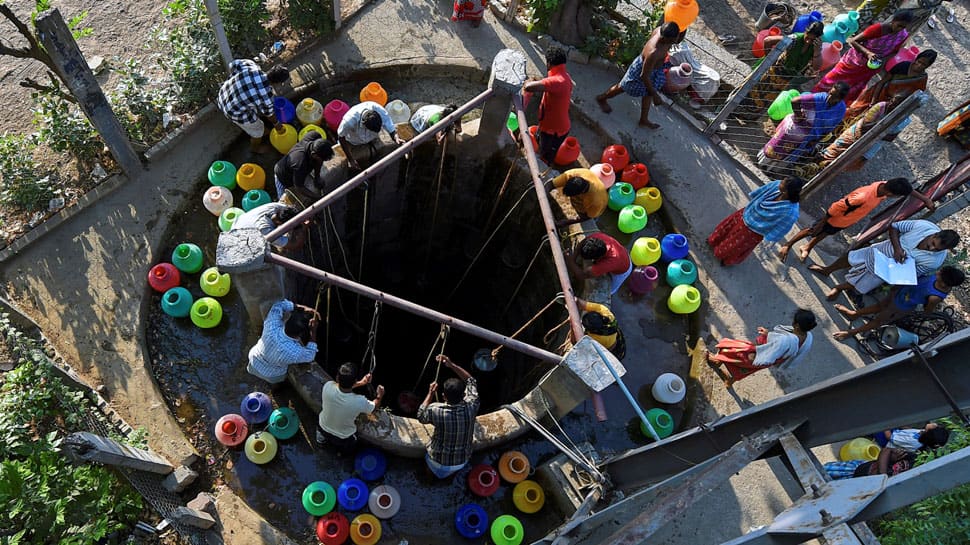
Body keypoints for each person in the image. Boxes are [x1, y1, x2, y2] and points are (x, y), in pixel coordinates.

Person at [778, 178, 935, 263]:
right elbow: (837, 206)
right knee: (812, 230)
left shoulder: (884, 187)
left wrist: (924, 199)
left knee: (825, 234)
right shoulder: (864, 197)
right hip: (833, 217)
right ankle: (787, 245)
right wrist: (822, 221)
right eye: (896, 195)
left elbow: (908, 190)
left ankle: (807, 247)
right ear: (891, 192)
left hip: (843, 222)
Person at [810, 219, 960, 299]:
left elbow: (914, 272)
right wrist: (897, 248)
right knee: (851, 258)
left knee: (864, 282)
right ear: (935, 234)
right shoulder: (923, 226)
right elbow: (894, 227)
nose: (932, 249)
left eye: (938, 249)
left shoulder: (936, 261)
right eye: (933, 244)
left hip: (891, 269)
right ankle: (827, 270)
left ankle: (838, 288)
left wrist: (900, 269)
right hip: (882, 249)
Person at [833, 266, 965, 340]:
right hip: (899, 293)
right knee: (879, 306)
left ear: (944, 282)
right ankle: (854, 314)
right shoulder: (936, 279)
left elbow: (927, 311)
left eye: (940, 273)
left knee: (878, 321)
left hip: (901, 306)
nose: (937, 272)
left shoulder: (935, 297)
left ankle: (852, 332)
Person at [798, 92, 909, 177]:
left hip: (871, 144)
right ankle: (810, 165)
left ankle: (820, 171)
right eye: (894, 102)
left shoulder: (904, 119)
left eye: (899, 105)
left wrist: (879, 132)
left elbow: (890, 138)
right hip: (856, 135)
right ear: (891, 100)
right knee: (834, 150)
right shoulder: (880, 107)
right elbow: (865, 126)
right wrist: (885, 126)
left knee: (850, 161)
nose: (894, 106)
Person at [813, 11, 914, 104]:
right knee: (833, 80)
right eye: (899, 25)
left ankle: (834, 106)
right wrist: (868, 53)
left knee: (851, 89)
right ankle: (813, 98)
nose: (900, 29)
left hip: (871, 67)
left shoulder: (902, 35)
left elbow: (894, 52)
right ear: (893, 21)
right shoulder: (878, 29)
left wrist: (884, 60)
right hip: (854, 61)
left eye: (903, 27)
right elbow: (852, 41)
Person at [595, 22, 682, 129]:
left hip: (652, 70)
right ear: (666, 39)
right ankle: (602, 98)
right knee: (623, 86)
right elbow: (644, 76)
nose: (675, 41)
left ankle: (643, 120)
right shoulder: (653, 53)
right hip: (642, 72)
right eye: (673, 40)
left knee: (647, 93)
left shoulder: (660, 30)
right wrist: (655, 95)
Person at [706, 309, 817, 387]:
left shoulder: (786, 341)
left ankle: (717, 360)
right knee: (745, 370)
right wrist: (768, 334)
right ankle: (730, 381)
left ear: (797, 326)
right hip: (770, 359)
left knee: (730, 349)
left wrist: (752, 354)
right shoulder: (808, 337)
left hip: (759, 355)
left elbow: (774, 346)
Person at [707, 177, 804, 266]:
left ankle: (726, 258)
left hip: (754, 232)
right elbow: (761, 192)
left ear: (786, 191)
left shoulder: (791, 212)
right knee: (728, 228)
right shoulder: (776, 186)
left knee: (736, 245)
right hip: (747, 213)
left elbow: (782, 228)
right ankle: (714, 241)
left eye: (783, 183)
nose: (780, 182)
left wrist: (769, 236)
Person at [758, 84, 849, 174]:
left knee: (792, 154)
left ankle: (772, 170)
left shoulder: (840, 110)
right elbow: (794, 101)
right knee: (777, 148)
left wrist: (817, 140)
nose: (830, 97)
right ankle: (762, 164)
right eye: (830, 93)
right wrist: (799, 116)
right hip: (795, 131)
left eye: (834, 96)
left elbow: (830, 128)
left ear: (840, 99)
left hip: (810, 138)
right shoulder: (820, 97)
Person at [740, 22, 824, 117]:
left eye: (812, 40)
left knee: (766, 97)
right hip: (774, 71)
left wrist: (817, 51)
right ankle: (736, 106)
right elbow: (768, 40)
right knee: (754, 88)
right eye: (807, 37)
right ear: (805, 32)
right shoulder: (794, 39)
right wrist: (769, 58)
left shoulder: (816, 47)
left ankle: (748, 114)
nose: (808, 41)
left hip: (785, 79)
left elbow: (817, 67)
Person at [416, 355, 480, 478]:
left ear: (444, 397)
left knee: (430, 469)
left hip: (437, 460)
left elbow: (420, 415)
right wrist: (451, 365)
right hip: (462, 461)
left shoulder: (436, 410)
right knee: (450, 472)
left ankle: (429, 478)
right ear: (464, 395)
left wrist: (430, 393)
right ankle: (447, 477)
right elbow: (471, 380)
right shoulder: (472, 404)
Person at [216, 59, 290, 152]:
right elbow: (270, 115)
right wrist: (277, 125)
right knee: (258, 131)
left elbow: (233, 64)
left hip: (223, 95)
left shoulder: (251, 66)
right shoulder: (266, 97)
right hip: (233, 111)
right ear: (278, 83)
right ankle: (255, 148)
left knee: (254, 103)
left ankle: (265, 131)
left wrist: (237, 83)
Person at [844, 50, 937, 122]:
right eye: (919, 61)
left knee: (868, 120)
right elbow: (882, 82)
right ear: (916, 59)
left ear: (927, 66)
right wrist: (873, 101)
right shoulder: (903, 66)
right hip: (876, 94)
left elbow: (914, 97)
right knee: (855, 111)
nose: (919, 65)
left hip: (889, 104)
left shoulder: (921, 79)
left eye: (923, 64)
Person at [316, 363, 384, 455]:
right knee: (348, 446)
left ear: (337, 378)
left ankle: (321, 442)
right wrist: (380, 395)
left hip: (322, 427)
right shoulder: (359, 401)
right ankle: (341, 454)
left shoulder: (328, 386)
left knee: (323, 436)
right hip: (343, 436)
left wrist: (361, 383)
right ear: (355, 380)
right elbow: (374, 407)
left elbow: (341, 387)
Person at [246, 299, 318, 384]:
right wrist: (313, 332)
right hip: (272, 375)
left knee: (254, 369)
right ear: (301, 335)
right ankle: (276, 387)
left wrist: (302, 308)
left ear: (287, 321)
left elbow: (278, 306)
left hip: (254, 360)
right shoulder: (294, 352)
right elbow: (310, 355)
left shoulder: (272, 324)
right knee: (278, 380)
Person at [523, 45, 574, 164]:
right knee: (540, 141)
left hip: (554, 131)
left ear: (549, 63)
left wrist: (528, 82)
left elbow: (528, 87)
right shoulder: (565, 77)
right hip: (550, 125)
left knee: (545, 156)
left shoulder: (557, 81)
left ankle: (542, 171)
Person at [337, 101, 405, 169]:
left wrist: (396, 138)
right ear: (364, 125)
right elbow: (341, 136)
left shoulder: (379, 110)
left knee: (378, 155)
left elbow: (390, 126)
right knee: (362, 163)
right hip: (355, 142)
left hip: (373, 139)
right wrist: (350, 159)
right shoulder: (349, 121)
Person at [564, 232, 632, 294]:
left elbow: (582, 275)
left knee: (610, 290)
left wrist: (570, 261)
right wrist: (573, 258)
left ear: (599, 258)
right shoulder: (596, 237)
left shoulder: (608, 263)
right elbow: (582, 243)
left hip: (623, 270)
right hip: (622, 254)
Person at [273, 131, 335, 199]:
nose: (322, 161)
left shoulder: (314, 136)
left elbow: (318, 162)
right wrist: (318, 198)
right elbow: (299, 187)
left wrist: (317, 177)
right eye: (322, 159)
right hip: (283, 176)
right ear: (314, 155)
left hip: (293, 166)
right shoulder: (300, 163)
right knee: (284, 201)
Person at [231, 202, 308, 253]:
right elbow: (294, 246)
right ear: (280, 223)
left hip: (241, 222)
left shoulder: (276, 207)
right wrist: (304, 229)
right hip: (238, 240)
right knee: (274, 251)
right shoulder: (265, 229)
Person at [823, 446, 915, 480]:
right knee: (822, 473)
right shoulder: (912, 458)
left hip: (859, 485)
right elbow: (886, 451)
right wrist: (882, 476)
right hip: (854, 470)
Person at [874, 422, 950, 452]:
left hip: (886, 440)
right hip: (895, 432)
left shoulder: (914, 442)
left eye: (935, 427)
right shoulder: (923, 434)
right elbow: (908, 430)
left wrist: (886, 422)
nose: (934, 425)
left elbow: (888, 436)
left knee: (876, 424)